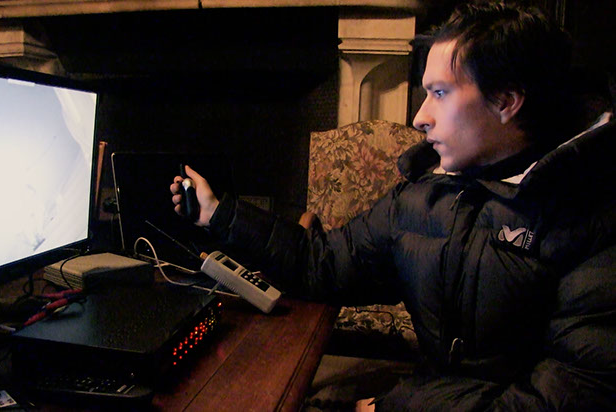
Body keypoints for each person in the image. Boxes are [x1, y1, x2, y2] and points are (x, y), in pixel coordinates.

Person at [170, 1, 616, 410]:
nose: (420, 117)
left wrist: (401, 404)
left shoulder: (595, 218)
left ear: (505, 101)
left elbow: (571, 396)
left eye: (440, 93)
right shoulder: (424, 196)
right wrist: (219, 214)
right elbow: (322, 264)